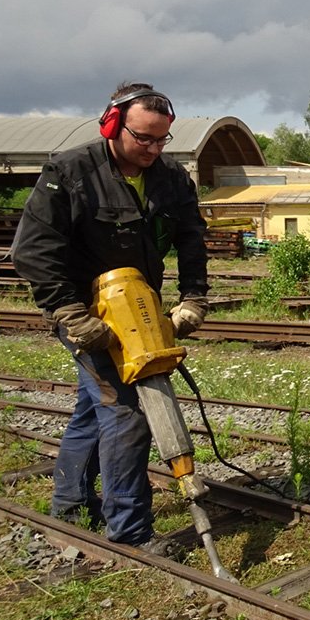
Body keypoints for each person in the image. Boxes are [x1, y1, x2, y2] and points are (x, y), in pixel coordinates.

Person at [13, 82, 210, 552]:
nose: (153, 149)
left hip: (137, 308)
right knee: (126, 412)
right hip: (85, 313)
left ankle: (71, 503)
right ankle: (130, 533)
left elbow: (191, 238)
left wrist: (193, 298)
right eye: (143, 138)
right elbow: (33, 251)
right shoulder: (70, 172)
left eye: (161, 140)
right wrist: (70, 315)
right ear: (112, 125)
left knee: (94, 406)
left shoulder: (171, 179)